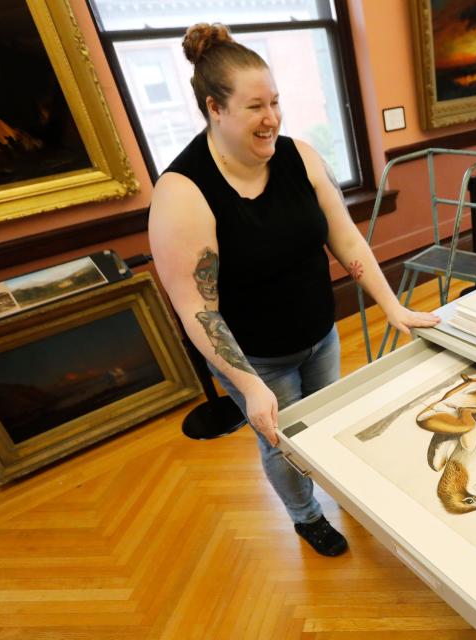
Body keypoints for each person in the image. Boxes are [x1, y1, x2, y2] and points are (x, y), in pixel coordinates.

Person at [148, 23, 440, 556]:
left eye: (277, 102)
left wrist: (393, 305)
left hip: (319, 333)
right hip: (256, 359)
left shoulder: (299, 157)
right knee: (282, 445)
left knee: (327, 422)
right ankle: (307, 517)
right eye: (256, 106)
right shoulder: (182, 193)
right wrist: (250, 387)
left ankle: (347, 492)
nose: (273, 118)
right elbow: (196, 309)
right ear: (216, 109)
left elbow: (345, 237)